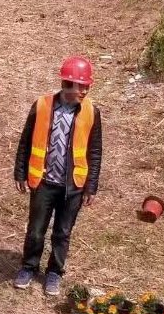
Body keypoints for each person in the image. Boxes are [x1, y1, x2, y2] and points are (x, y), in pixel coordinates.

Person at [12, 57, 103, 297]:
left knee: (63, 232)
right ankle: (29, 267)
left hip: (73, 185)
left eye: (86, 86)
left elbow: (95, 151)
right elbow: (26, 141)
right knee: (36, 230)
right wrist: (20, 171)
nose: (84, 90)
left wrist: (91, 186)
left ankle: (54, 272)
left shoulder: (92, 112)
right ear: (67, 83)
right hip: (43, 182)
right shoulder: (42, 106)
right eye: (79, 85)